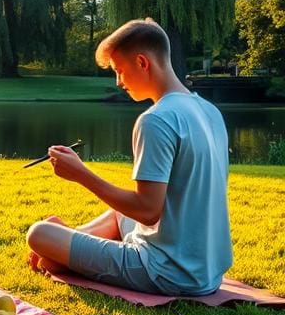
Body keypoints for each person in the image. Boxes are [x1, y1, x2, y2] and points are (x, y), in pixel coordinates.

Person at [26, 18, 232, 296]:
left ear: (142, 62)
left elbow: (147, 212)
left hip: (168, 271)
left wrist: (81, 174)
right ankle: (66, 245)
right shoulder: (210, 111)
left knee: (38, 234)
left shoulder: (156, 120)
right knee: (118, 212)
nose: (118, 82)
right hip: (208, 270)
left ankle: (61, 248)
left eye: (119, 71)